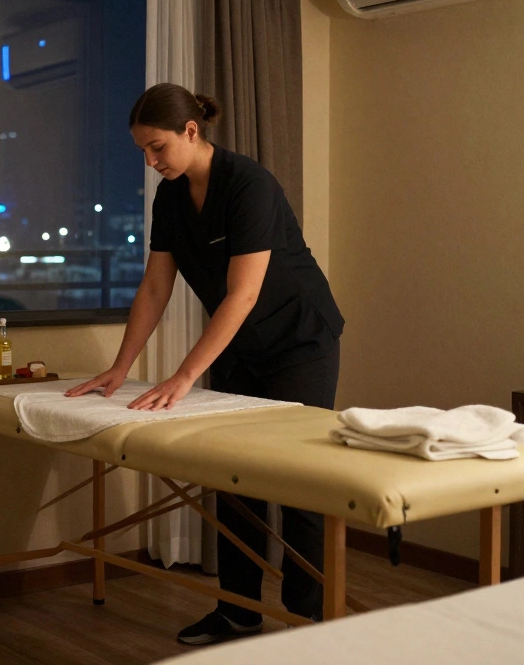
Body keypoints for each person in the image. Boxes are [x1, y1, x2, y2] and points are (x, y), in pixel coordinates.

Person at [66, 83, 344, 645]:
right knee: (233, 477)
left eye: (158, 147)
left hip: (299, 340)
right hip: (240, 344)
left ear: (190, 131)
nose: (151, 161)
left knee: (300, 483)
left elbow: (242, 294)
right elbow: (155, 287)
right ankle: (239, 612)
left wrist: (184, 376)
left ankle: (308, 623)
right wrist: (120, 367)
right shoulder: (170, 198)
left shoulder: (249, 185)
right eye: (143, 151)